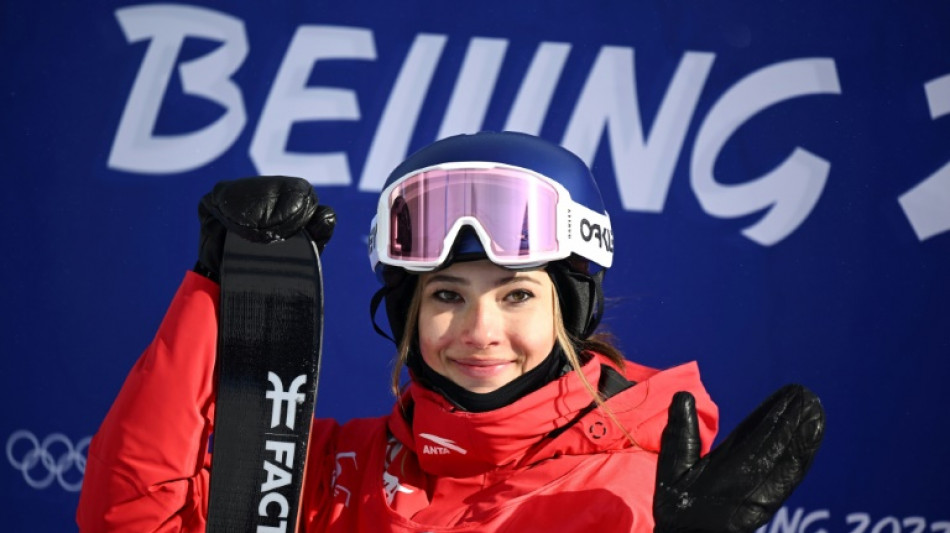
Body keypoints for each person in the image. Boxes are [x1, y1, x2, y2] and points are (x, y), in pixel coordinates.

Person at [76, 131, 825, 532]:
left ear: (573, 308)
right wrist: (217, 293)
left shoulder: (647, 489)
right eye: (445, 294)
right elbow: (132, 517)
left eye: (517, 293)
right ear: (406, 312)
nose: (479, 329)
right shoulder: (333, 470)